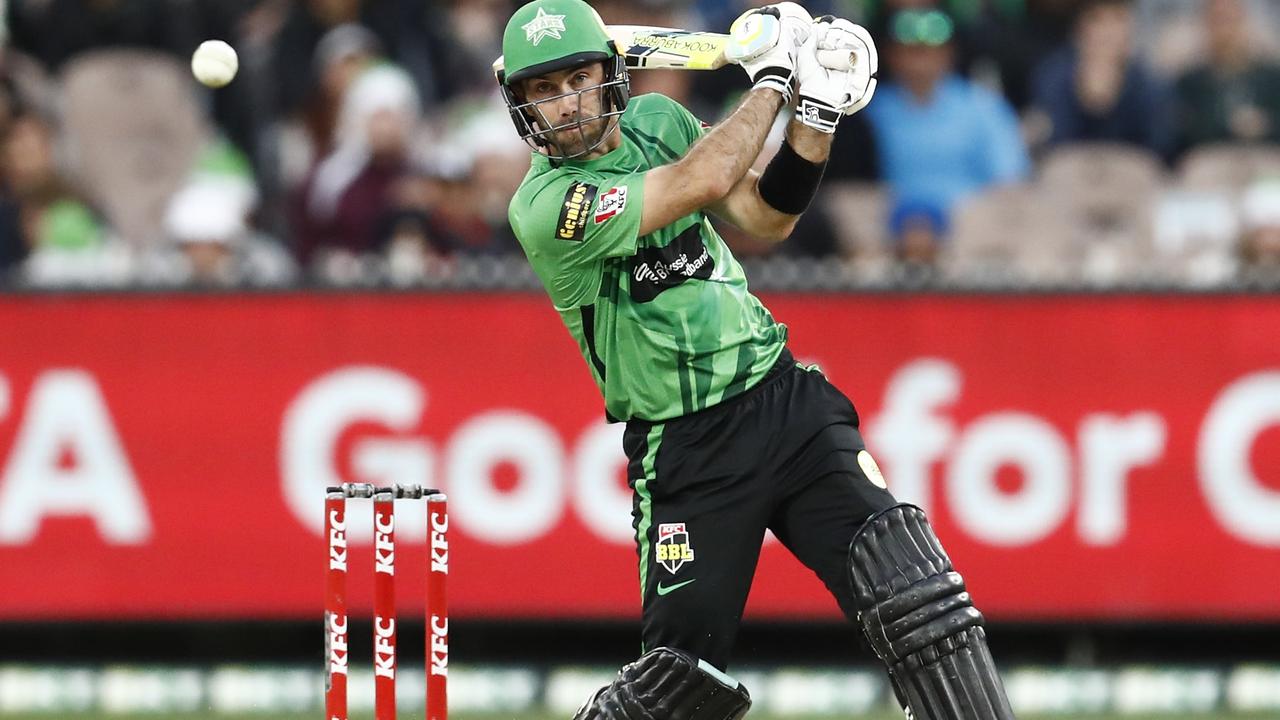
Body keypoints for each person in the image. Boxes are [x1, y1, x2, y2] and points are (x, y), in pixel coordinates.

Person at [498, 2, 1017, 719]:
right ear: (521, 106)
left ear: (610, 74)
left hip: (783, 402)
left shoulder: (660, 123)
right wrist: (773, 79)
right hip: (687, 447)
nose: (564, 104)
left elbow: (768, 215)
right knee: (675, 684)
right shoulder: (547, 203)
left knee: (912, 588)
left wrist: (815, 112)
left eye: (576, 78)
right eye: (542, 92)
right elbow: (697, 185)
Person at [863, 8, 1030, 237]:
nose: (920, 60)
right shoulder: (871, 108)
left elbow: (1010, 179)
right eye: (911, 50)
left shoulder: (983, 106)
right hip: (889, 227)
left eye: (930, 50)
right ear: (891, 55)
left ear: (949, 53)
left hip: (969, 226)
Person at [1031, 0, 1174, 159]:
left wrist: (1117, 94)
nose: (1107, 32)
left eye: (1117, 19)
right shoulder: (1053, 75)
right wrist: (1087, 101)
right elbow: (1054, 141)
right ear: (1080, 27)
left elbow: (1158, 146)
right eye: (1097, 20)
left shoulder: (1147, 80)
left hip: (1130, 171)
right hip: (1070, 170)